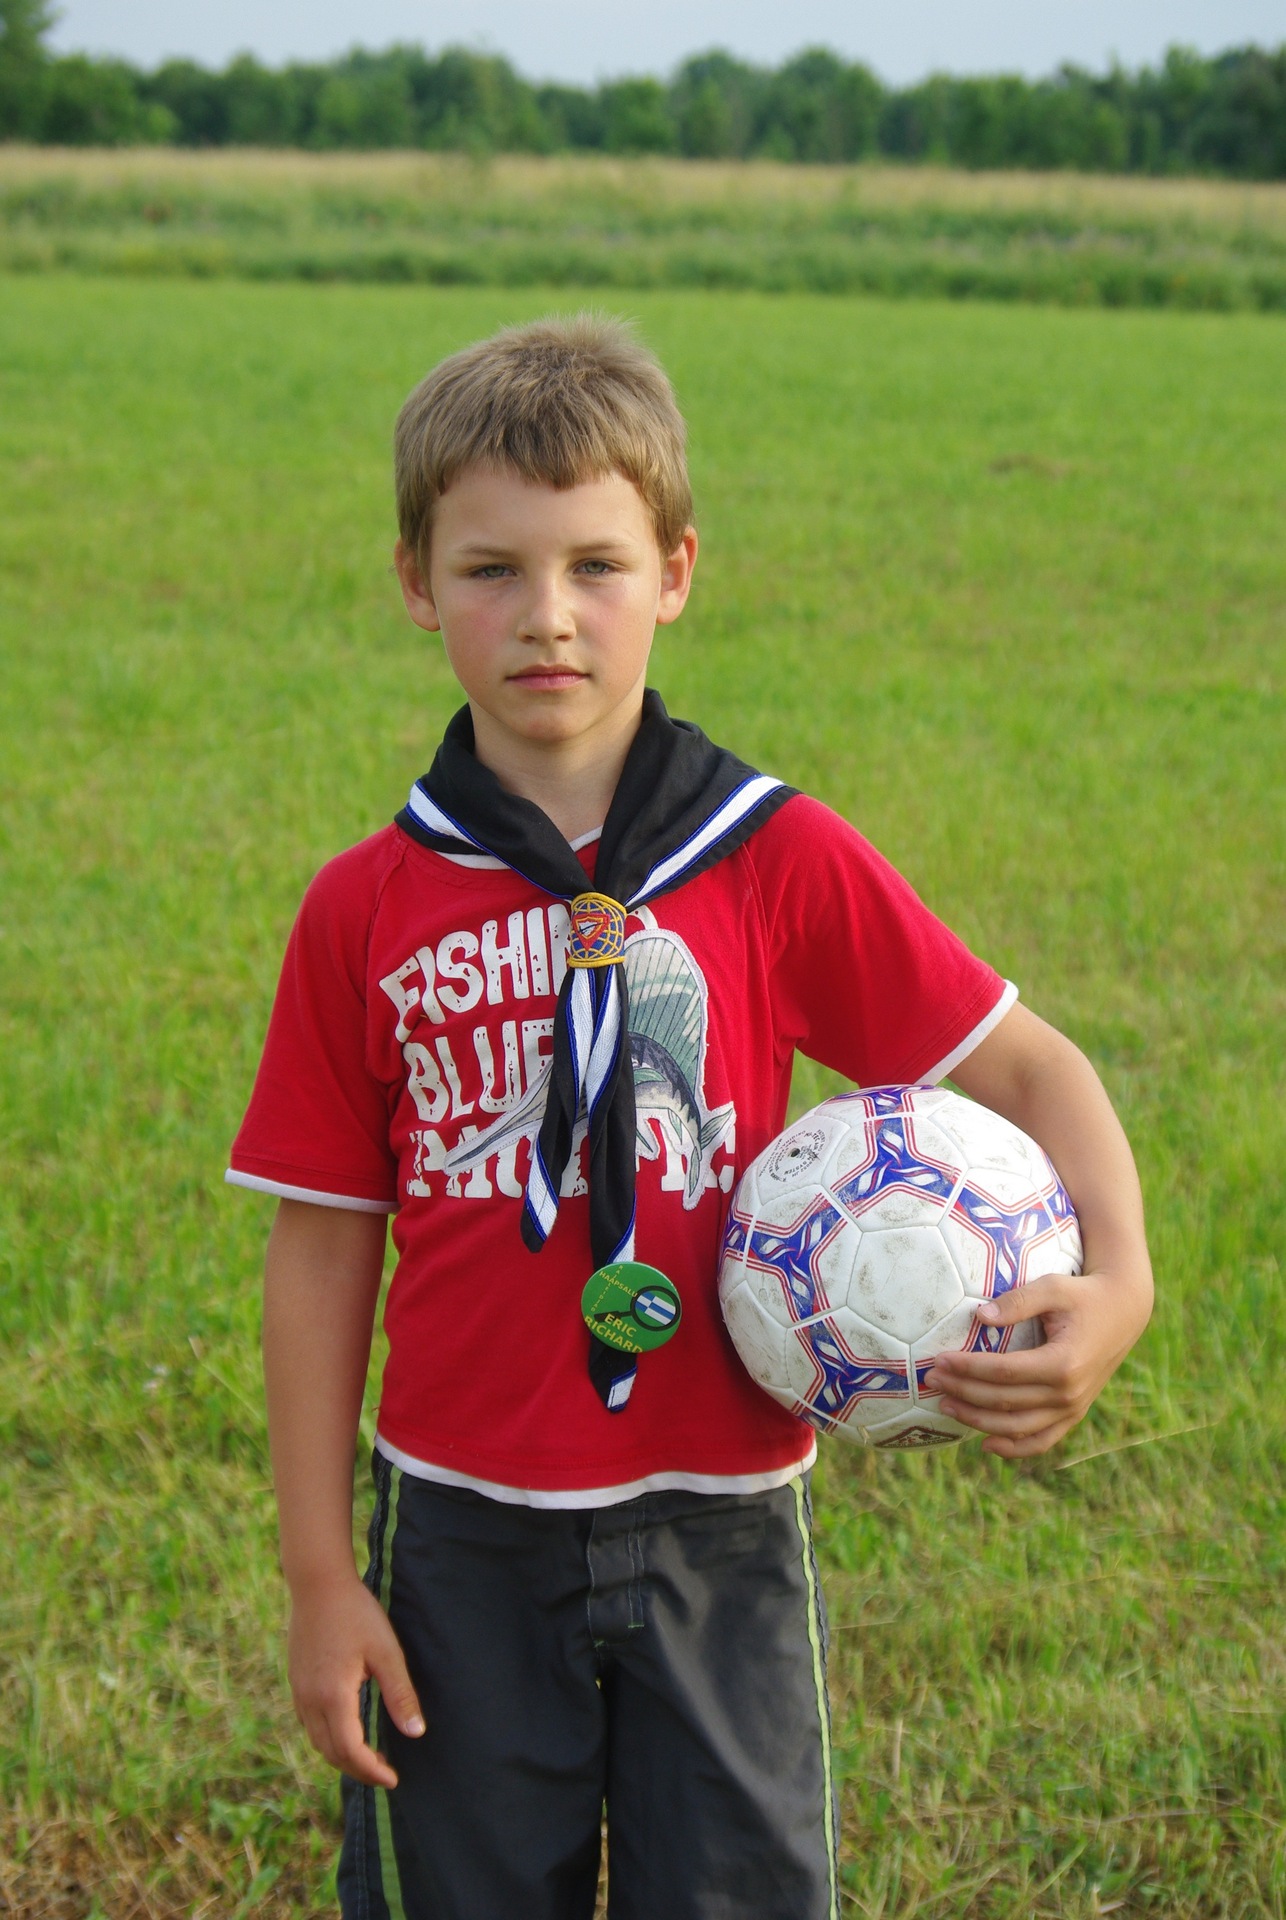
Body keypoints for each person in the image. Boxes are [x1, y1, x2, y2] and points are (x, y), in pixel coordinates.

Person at [227, 313, 1153, 1920]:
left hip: (719, 1527)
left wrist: (1119, 1283)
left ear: (674, 572)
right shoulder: (363, 906)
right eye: (491, 569)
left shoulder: (770, 857)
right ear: (415, 583)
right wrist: (321, 1574)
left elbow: (1029, 1070)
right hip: (458, 1532)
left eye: (595, 565)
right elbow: (321, 1246)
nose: (546, 616)